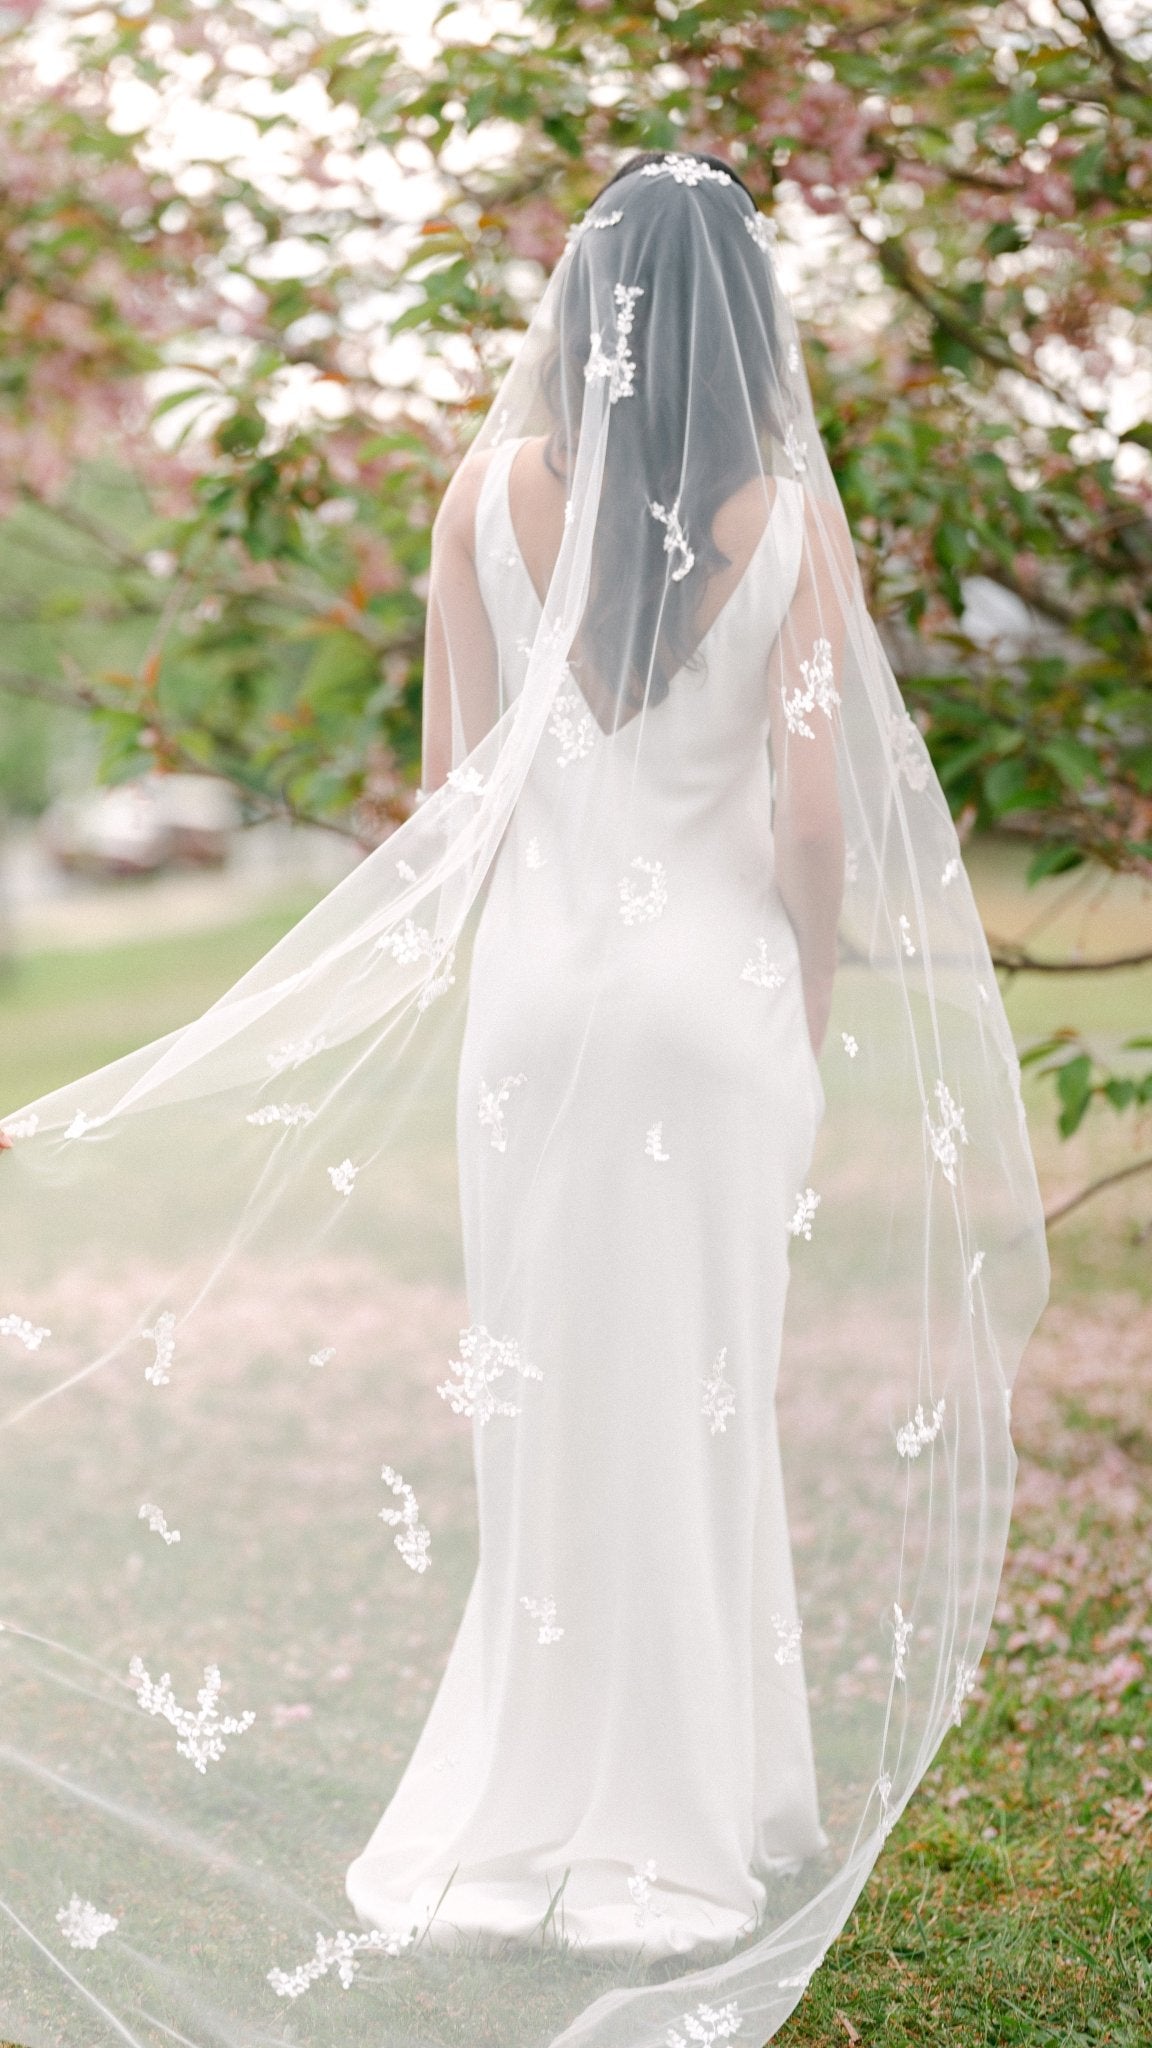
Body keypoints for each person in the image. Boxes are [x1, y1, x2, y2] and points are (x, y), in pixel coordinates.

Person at [0, 151, 1048, 2047]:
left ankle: (518, 1823)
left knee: (546, 1402)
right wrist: (800, 1005)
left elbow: (453, 804)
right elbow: (815, 821)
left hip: (541, 1018)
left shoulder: (483, 493)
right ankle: (689, 1822)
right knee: (698, 1390)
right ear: (746, 322)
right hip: (714, 1011)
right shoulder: (786, 519)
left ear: (582, 312)